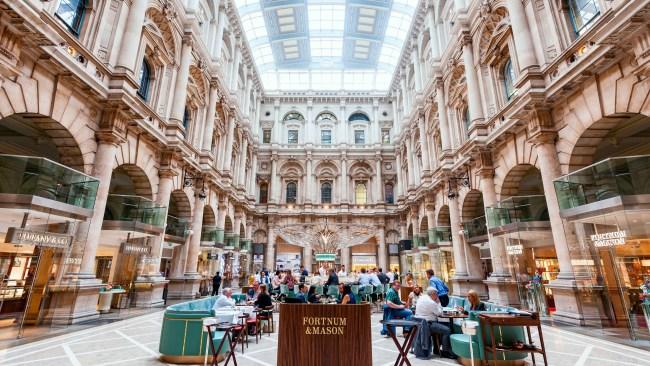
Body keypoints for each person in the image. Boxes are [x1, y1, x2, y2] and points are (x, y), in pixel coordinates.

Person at [414, 287, 456, 359]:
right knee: (447, 330)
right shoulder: (431, 302)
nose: (437, 296)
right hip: (427, 325)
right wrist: (438, 302)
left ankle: (436, 349)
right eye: (437, 294)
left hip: (419, 323)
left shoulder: (422, 298)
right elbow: (439, 313)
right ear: (433, 294)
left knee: (441, 326)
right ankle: (446, 352)